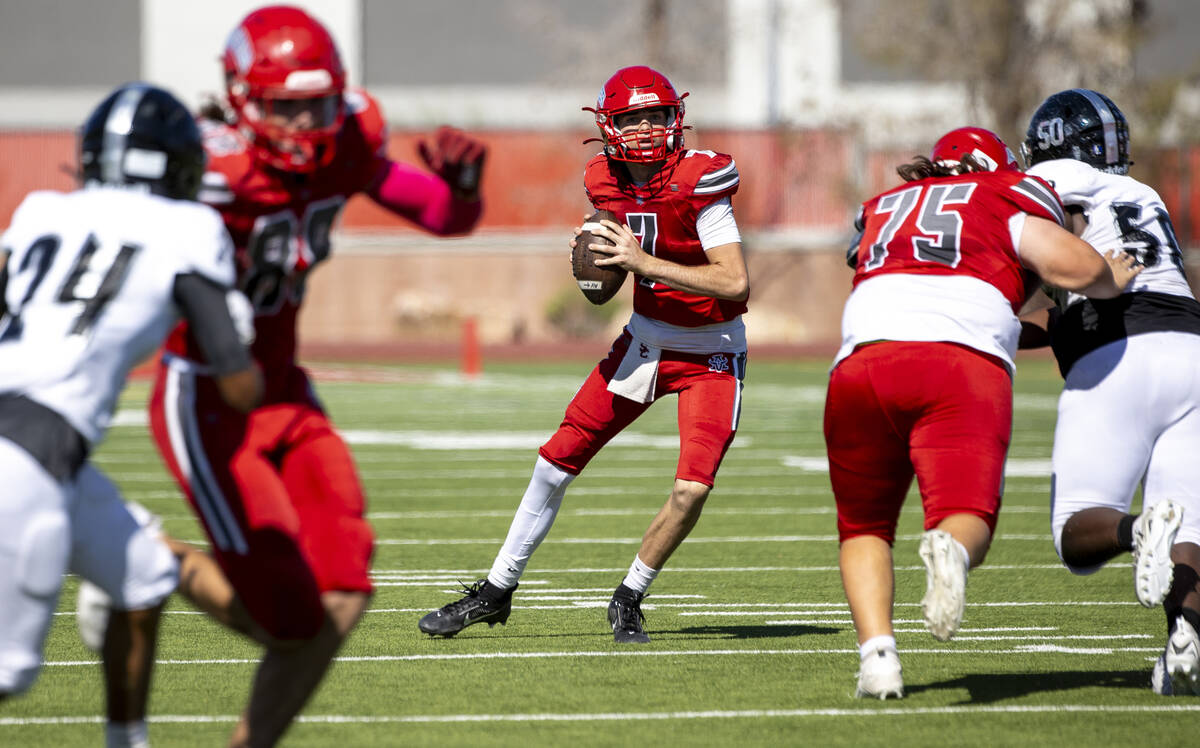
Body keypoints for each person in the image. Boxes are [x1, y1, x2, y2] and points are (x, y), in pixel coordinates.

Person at [141, 6, 486, 746]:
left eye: (315, 102)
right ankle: (137, 554)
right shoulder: (205, 167)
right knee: (286, 615)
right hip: (204, 395)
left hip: (285, 391)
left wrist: (460, 192)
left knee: (345, 585)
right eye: (283, 104)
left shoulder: (348, 144)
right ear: (239, 98)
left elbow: (440, 216)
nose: (302, 122)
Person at [418, 64, 749, 644]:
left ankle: (630, 595)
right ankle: (496, 591)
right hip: (645, 343)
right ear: (608, 125)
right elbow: (610, 258)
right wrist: (596, 259)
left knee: (691, 488)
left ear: (676, 119)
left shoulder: (701, 180)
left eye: (654, 115)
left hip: (711, 353)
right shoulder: (603, 179)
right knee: (555, 460)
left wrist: (644, 265)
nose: (645, 128)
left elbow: (734, 283)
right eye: (632, 117)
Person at [827, 126, 1143, 699]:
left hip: (861, 361)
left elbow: (921, 281)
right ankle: (950, 549)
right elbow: (1070, 265)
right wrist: (1109, 276)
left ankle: (878, 660)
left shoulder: (886, 206)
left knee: (865, 525)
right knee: (965, 513)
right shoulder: (1002, 194)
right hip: (958, 365)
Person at [0, 82, 261, 747]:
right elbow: (236, 384)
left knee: (141, 577)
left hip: (43, 449)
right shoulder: (189, 228)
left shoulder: (39, 212)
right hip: (28, 455)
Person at [1021, 89, 1200, 696]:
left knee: (1077, 535)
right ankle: (1187, 644)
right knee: (1190, 530)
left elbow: (1050, 254)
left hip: (1121, 352)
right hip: (1192, 347)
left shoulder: (1052, 181)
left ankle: (1135, 531)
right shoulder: (1142, 195)